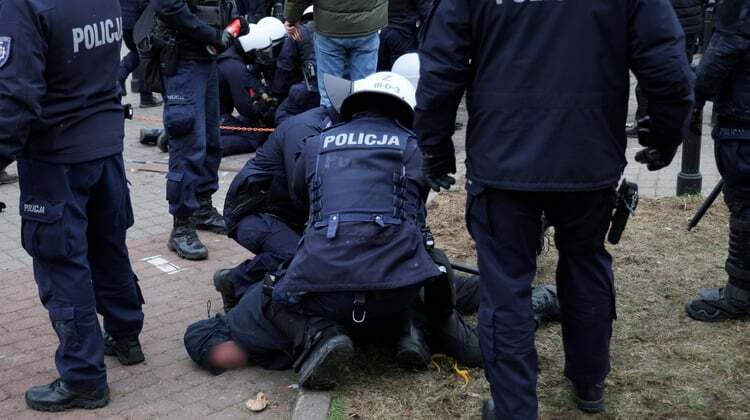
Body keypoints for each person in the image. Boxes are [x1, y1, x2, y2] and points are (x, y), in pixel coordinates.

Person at [415, 1, 694, 418]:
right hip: (582, 156)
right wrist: (669, 131)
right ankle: (587, 380)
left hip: (509, 156)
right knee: (583, 260)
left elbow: (441, 68)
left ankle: (525, 403)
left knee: (508, 284)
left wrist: (434, 147)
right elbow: (666, 63)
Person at [0, 0, 147, 411]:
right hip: (103, 143)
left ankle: (83, 378)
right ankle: (125, 333)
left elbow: (14, 96)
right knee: (107, 245)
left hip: (57, 155)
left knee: (62, 263)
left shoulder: (22, 5)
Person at [150, 0, 249, 260]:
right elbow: (167, 6)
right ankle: (181, 225)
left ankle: (202, 207)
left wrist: (235, 23)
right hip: (184, 60)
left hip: (207, 59)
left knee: (210, 141)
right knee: (188, 144)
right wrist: (213, 35)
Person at [215, 105, 339, 311]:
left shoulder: (325, 126)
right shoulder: (306, 131)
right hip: (255, 213)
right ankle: (234, 280)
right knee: (299, 256)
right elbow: (302, 192)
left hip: (281, 212)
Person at [686, 0, 750, 322]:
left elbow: (726, 49)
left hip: (745, 123)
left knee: (745, 205)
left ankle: (740, 295)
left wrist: (693, 94)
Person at [283, 0, 386, 107]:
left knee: (329, 93)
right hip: (367, 24)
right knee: (364, 89)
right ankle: (363, 120)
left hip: (329, 27)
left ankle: (331, 121)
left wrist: (292, 17)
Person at [628, 0, 704, 136]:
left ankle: (648, 123)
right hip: (689, 23)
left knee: (655, 75)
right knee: (681, 73)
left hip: (671, 23)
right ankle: (682, 120)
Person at [217, 26, 276, 157]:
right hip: (214, 117)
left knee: (242, 123)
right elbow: (245, 108)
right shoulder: (236, 68)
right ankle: (204, 146)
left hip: (207, 113)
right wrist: (264, 108)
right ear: (251, 51)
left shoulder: (227, 55)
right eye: (260, 52)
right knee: (255, 136)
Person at [272, 6, 320, 125]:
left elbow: (284, 65)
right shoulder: (339, 31)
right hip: (341, 85)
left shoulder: (298, 32)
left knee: (281, 114)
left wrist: (275, 93)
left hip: (312, 87)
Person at [119, 0, 162, 108]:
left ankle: (118, 78)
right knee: (145, 55)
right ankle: (146, 97)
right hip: (139, 20)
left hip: (124, 19)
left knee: (137, 53)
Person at [377, 0, 432, 71]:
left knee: (382, 74)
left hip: (382, 30)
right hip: (403, 33)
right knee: (404, 72)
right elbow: (426, 11)